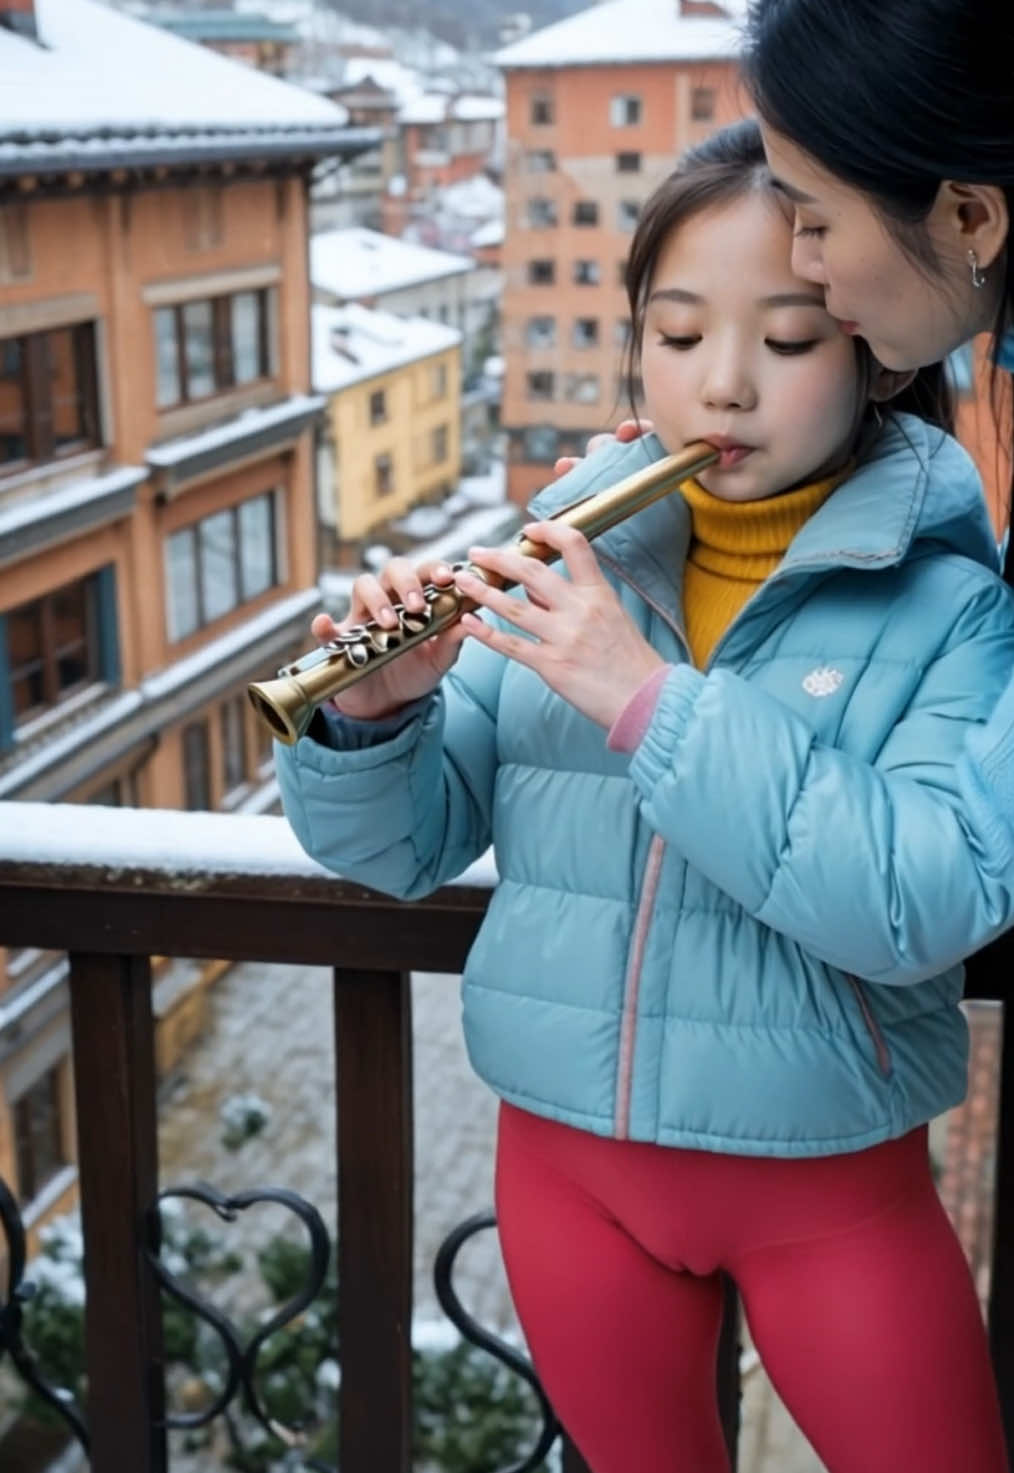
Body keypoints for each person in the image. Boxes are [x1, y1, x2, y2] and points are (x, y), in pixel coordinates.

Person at [275, 120, 1014, 1472]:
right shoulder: (565, 557)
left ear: (870, 346)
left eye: (786, 342)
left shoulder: (954, 606)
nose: (721, 386)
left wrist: (646, 698)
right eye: (676, 337)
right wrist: (370, 715)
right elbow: (403, 850)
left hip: (828, 1181)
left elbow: (927, 897)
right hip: (561, 1168)